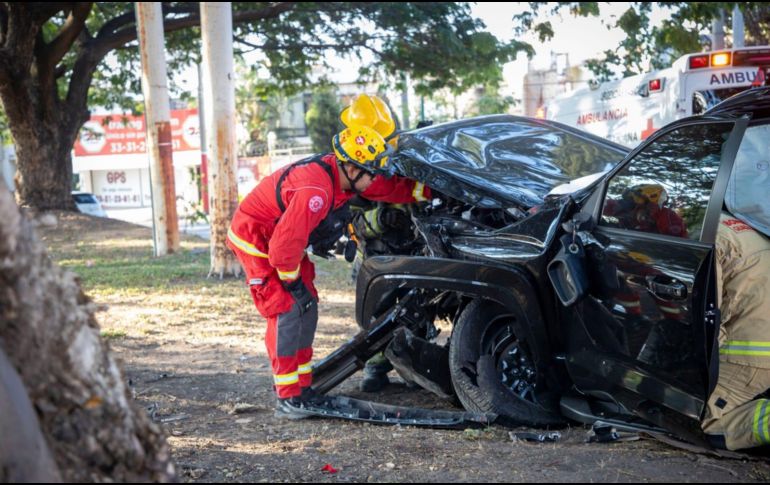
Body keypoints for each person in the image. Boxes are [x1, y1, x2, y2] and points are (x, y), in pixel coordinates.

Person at [227, 96, 430, 419]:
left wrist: (426, 191)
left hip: (281, 241)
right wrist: (291, 282)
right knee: (287, 308)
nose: (374, 178)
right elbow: (282, 249)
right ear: (352, 168)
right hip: (258, 241)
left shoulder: (342, 174)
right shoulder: (316, 192)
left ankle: (302, 387)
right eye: (370, 172)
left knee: (307, 306)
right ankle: (289, 397)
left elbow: (382, 188)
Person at [701, 212, 770, 450]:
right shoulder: (744, 227)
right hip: (759, 345)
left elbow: (707, 321)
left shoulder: (708, 239)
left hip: (754, 356)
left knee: (703, 418)